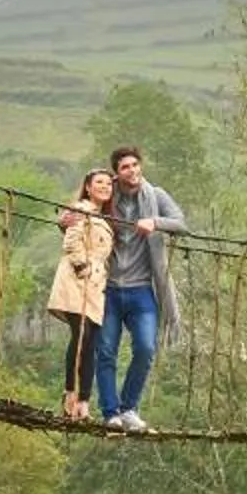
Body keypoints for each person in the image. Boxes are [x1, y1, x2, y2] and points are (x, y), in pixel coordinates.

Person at [94, 144, 185, 431]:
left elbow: (182, 223)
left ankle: (129, 407)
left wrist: (154, 222)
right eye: (125, 167)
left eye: (135, 165)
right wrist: (64, 220)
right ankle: (111, 413)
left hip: (141, 288)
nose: (132, 171)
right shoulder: (109, 197)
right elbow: (82, 207)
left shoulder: (155, 195)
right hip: (108, 287)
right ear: (117, 174)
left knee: (146, 347)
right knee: (106, 350)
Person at [46, 169, 114, 421]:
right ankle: (70, 395)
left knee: (91, 343)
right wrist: (82, 266)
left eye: (108, 183)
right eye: (99, 182)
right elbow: (71, 241)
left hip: (96, 287)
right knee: (81, 336)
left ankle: (84, 402)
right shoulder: (79, 210)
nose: (105, 187)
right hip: (78, 281)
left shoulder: (104, 218)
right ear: (87, 186)